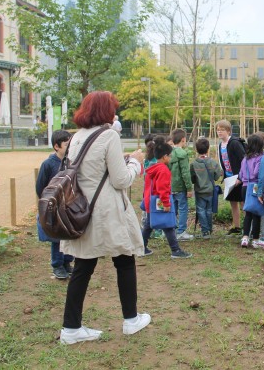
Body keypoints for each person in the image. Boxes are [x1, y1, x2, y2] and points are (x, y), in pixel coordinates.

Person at [58, 91, 149, 345]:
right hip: (105, 210)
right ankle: (131, 319)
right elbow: (121, 180)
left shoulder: (77, 136)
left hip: (81, 208)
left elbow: (91, 167)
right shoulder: (109, 135)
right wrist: (136, 163)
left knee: (83, 266)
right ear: (106, 111)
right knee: (124, 259)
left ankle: (71, 327)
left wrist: (122, 160)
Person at [141, 137, 192, 259]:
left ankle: (141, 248)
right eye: (170, 156)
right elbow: (162, 188)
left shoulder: (152, 169)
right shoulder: (163, 170)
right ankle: (175, 250)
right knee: (168, 226)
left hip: (150, 202)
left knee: (148, 225)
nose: (171, 158)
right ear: (164, 157)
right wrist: (166, 204)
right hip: (159, 202)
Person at [35, 130, 74, 279]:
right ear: (56, 146)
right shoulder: (48, 164)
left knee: (69, 234)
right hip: (54, 207)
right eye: (66, 144)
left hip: (68, 206)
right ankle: (57, 265)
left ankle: (67, 262)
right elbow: (40, 187)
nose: (69, 146)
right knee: (57, 238)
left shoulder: (71, 162)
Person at [215, 120, 246, 235]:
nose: (219, 132)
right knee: (233, 202)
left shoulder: (234, 143)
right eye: (218, 130)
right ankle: (236, 226)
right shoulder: (220, 145)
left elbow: (244, 160)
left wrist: (241, 177)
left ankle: (247, 227)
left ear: (228, 131)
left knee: (243, 203)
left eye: (222, 130)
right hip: (229, 178)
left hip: (239, 178)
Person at [190, 138, 222, 238]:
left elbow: (192, 179)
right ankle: (210, 229)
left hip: (199, 191)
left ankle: (205, 231)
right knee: (209, 210)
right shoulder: (213, 162)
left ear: (196, 149)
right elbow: (217, 176)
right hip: (210, 191)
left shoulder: (194, 164)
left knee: (200, 210)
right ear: (208, 149)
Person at [239, 134, 264, 248]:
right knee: (256, 214)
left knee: (248, 213)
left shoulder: (245, 158)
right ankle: (255, 239)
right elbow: (256, 173)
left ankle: (244, 238)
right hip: (255, 187)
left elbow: (241, 174)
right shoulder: (259, 158)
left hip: (245, 186)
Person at [169, 128, 194, 241]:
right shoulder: (182, 154)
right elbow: (185, 172)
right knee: (183, 208)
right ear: (183, 139)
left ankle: (172, 230)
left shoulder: (169, 153)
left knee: (173, 208)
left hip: (170, 186)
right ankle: (181, 231)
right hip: (180, 187)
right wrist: (189, 188)